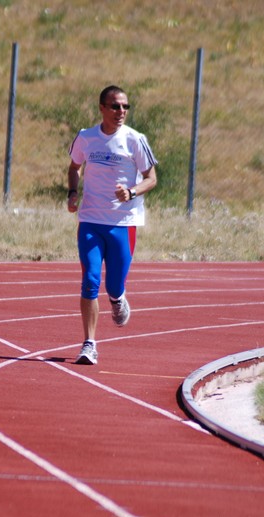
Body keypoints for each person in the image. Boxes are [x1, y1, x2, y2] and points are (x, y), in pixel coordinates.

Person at [67, 85, 158, 365]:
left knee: (114, 285)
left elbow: (151, 178)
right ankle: (89, 344)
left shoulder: (135, 139)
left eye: (125, 107)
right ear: (102, 108)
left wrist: (131, 192)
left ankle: (118, 299)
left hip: (123, 222)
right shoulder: (86, 138)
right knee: (90, 281)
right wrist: (72, 193)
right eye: (115, 106)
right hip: (91, 221)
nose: (121, 112)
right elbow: (74, 167)